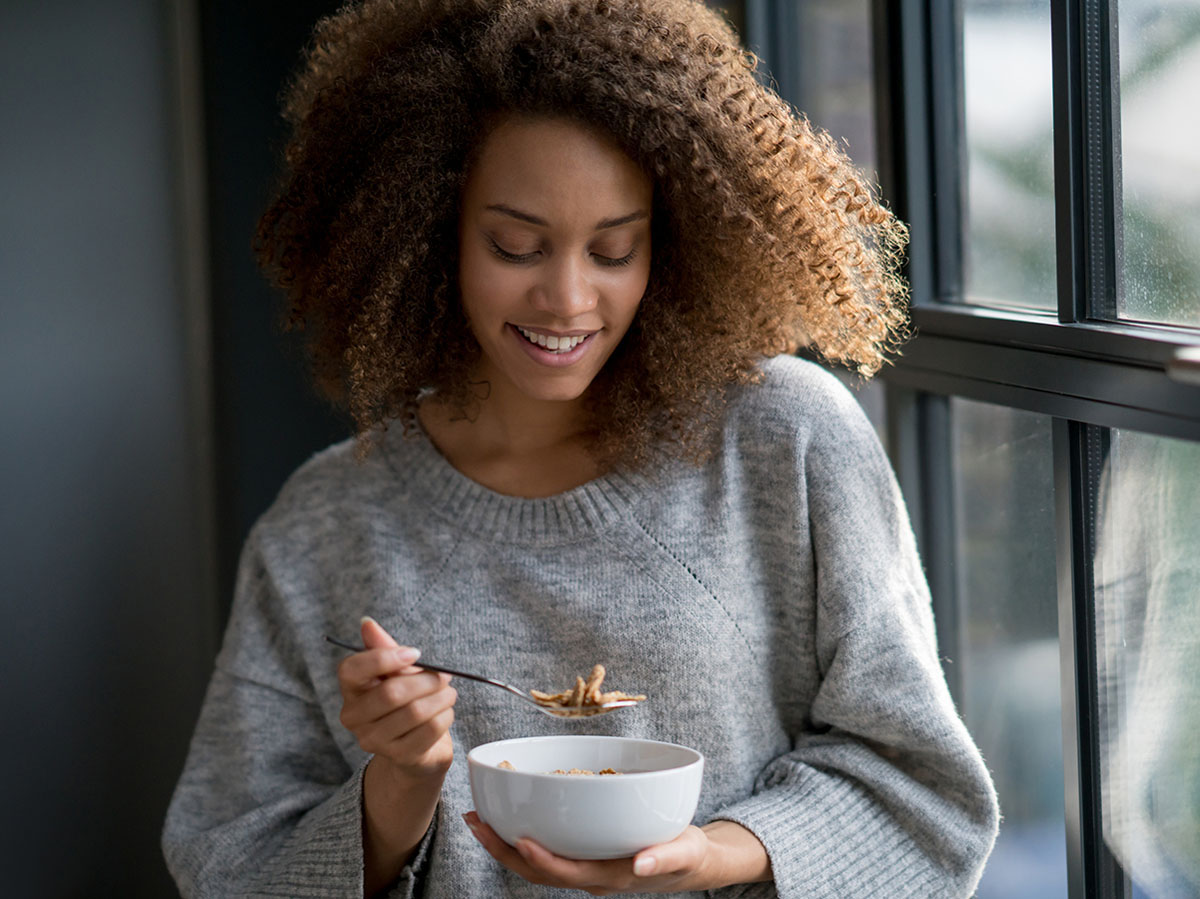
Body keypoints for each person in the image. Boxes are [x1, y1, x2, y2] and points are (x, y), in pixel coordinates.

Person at [162, 0, 999, 896]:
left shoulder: (785, 441)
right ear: (424, 229)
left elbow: (923, 787)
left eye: (613, 251)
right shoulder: (325, 524)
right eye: (515, 244)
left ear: (671, 248)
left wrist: (717, 852)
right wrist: (397, 789)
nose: (566, 298)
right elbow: (228, 858)